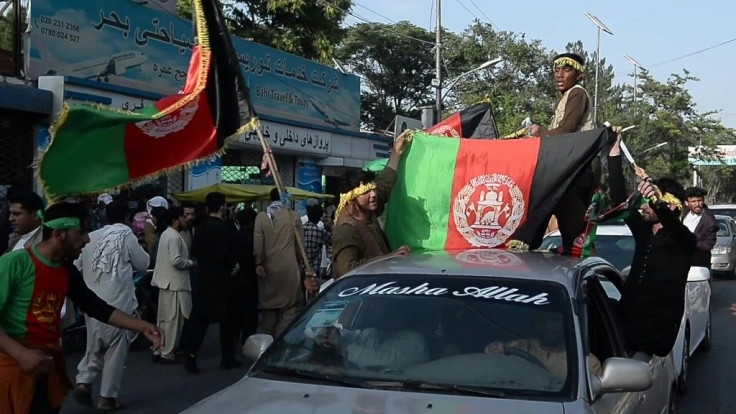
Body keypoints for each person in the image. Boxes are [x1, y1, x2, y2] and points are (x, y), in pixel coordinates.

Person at [0, 202, 163, 414]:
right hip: (11, 369)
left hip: (45, 367)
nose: (87, 239)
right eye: (81, 232)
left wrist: (143, 326)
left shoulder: (66, 270)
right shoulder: (14, 263)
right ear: (59, 234)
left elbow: (97, 307)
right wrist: (21, 354)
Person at [608, 135, 697, 356]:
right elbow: (619, 200)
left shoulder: (684, 240)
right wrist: (614, 154)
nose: (645, 207)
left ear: (671, 206)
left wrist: (656, 200)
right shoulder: (643, 232)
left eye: (652, 203)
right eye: (648, 202)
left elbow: (671, 224)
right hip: (626, 325)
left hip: (655, 336)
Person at [73, 201, 149, 412]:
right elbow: (143, 264)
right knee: (116, 348)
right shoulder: (126, 235)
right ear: (126, 217)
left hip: (91, 301)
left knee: (94, 342)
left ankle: (84, 381)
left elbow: (75, 265)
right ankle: (107, 397)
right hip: (118, 303)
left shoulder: (90, 237)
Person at [527, 53, 599, 252]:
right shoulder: (567, 96)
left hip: (577, 171)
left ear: (578, 75)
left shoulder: (577, 93)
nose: (559, 75)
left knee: (574, 233)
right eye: (556, 70)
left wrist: (539, 131)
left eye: (566, 70)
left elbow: (565, 131)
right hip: (569, 169)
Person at [328, 132, 412, 283]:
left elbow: (385, 184)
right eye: (366, 192)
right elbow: (346, 269)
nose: (373, 194)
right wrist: (389, 257)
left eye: (372, 189)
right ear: (351, 198)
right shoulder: (347, 228)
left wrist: (396, 152)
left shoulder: (367, 210)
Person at [179, 192, 239, 374]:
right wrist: (232, 265)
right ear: (222, 206)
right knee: (228, 321)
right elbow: (228, 253)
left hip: (204, 277)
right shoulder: (225, 228)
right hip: (223, 279)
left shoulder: (201, 227)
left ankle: (190, 355)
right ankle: (227, 357)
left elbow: (195, 250)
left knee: (199, 320)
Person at [484, 313, 601, 380]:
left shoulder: (587, 363)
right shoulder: (517, 347)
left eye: (554, 320)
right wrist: (494, 353)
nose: (547, 326)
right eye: (542, 320)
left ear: (567, 323)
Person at [254, 188, 305, 337]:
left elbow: (258, 244)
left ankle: (267, 346)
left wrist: (258, 264)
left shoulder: (262, 217)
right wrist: (300, 263)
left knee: (269, 314)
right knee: (290, 311)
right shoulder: (293, 217)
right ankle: (281, 346)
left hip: (268, 271)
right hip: (289, 269)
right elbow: (299, 246)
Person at [151, 206, 195, 364]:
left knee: (164, 319)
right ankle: (167, 352)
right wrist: (191, 263)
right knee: (174, 321)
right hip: (175, 284)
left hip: (166, 282)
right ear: (176, 219)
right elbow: (176, 260)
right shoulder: (175, 237)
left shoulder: (166, 234)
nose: (187, 219)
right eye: (184, 216)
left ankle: (159, 348)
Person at [232, 208, 259, 345]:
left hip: (237, 278)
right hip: (250, 278)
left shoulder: (234, 236)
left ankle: (236, 336)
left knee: (237, 311)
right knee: (250, 313)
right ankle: (247, 342)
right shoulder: (253, 238)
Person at [683, 187, 718, 268]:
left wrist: (688, 241)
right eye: (693, 201)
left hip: (698, 264)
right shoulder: (682, 212)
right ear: (686, 203)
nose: (697, 204)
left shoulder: (710, 221)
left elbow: (707, 245)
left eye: (699, 200)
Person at [304, 202, 332, 281]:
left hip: (300, 268)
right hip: (314, 269)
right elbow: (332, 242)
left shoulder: (301, 229)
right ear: (319, 217)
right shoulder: (321, 231)